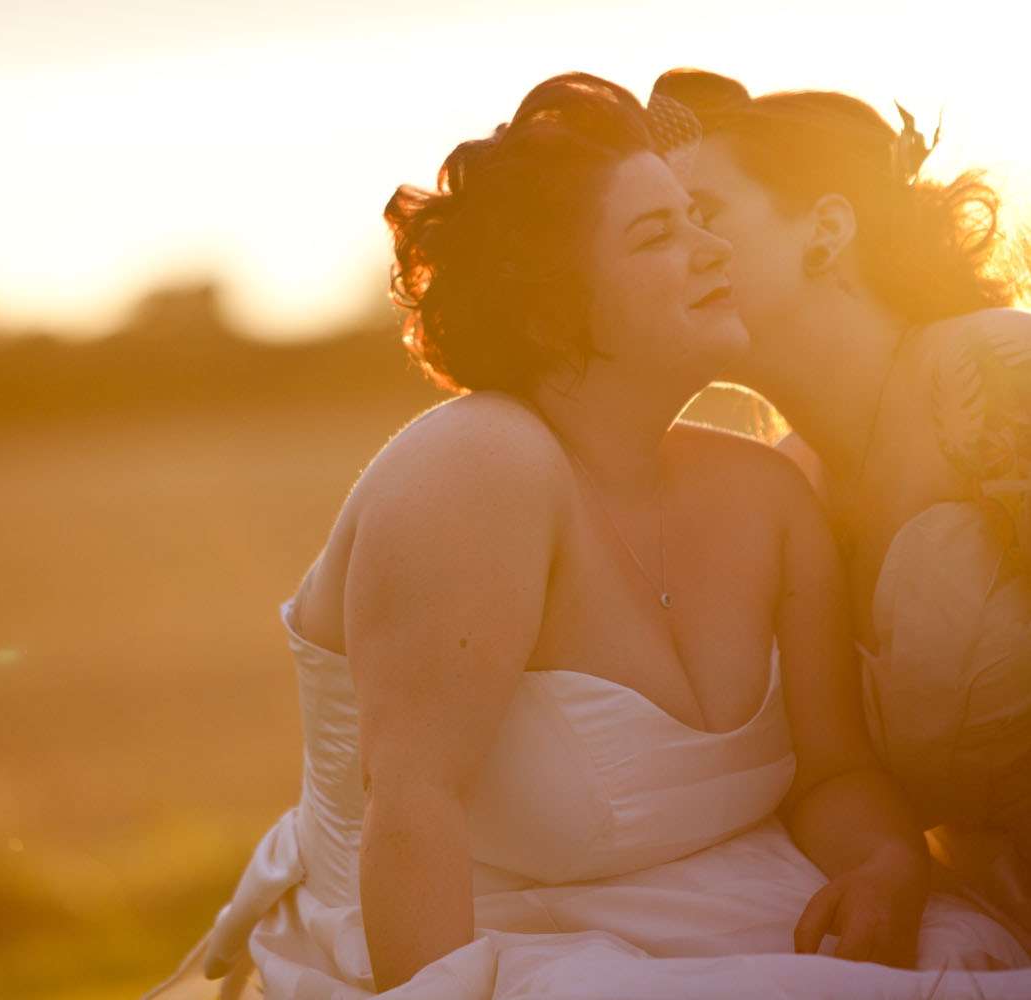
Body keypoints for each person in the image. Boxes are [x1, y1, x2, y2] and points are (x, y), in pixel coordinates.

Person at [142, 73, 1030, 999]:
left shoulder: (767, 490)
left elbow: (832, 770)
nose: (711, 249)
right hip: (487, 936)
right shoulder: (477, 465)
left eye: (700, 218)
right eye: (658, 233)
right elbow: (411, 807)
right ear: (549, 305)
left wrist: (885, 864)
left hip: (725, 906)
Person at [652, 67, 1031, 948]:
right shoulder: (785, 489)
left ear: (825, 229)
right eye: (658, 228)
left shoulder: (993, 378)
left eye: (704, 213)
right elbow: (826, 773)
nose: (678, 253)